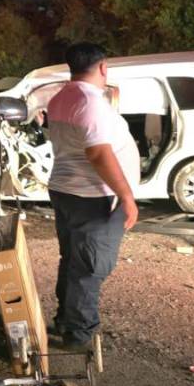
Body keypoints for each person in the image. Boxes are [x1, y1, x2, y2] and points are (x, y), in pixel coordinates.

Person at [46, 42, 140, 350]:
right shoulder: (91, 102)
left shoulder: (62, 96)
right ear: (102, 67)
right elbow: (99, 153)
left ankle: (66, 322)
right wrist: (126, 196)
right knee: (89, 267)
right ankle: (78, 334)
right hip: (92, 198)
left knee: (74, 260)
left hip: (68, 191)